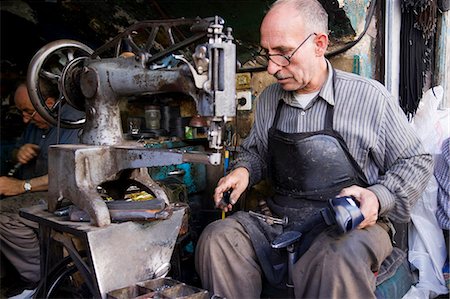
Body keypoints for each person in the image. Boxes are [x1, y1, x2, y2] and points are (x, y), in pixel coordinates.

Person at [194, 0, 433, 298]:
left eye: (283, 53)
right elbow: (257, 152)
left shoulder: (369, 98)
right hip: (279, 220)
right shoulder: (269, 99)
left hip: (347, 225)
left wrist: (377, 196)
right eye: (267, 54)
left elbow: (416, 161)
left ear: (319, 44)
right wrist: (244, 170)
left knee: (335, 259)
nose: (271, 67)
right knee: (218, 239)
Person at [0, 82, 83, 298]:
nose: (25, 119)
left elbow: (71, 174)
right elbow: (16, 150)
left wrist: (21, 186)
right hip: (38, 195)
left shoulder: (74, 122)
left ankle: (39, 280)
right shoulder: (35, 126)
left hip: (69, 197)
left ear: (48, 103)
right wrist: (17, 151)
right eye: (22, 113)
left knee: (3, 215)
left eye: (28, 111)